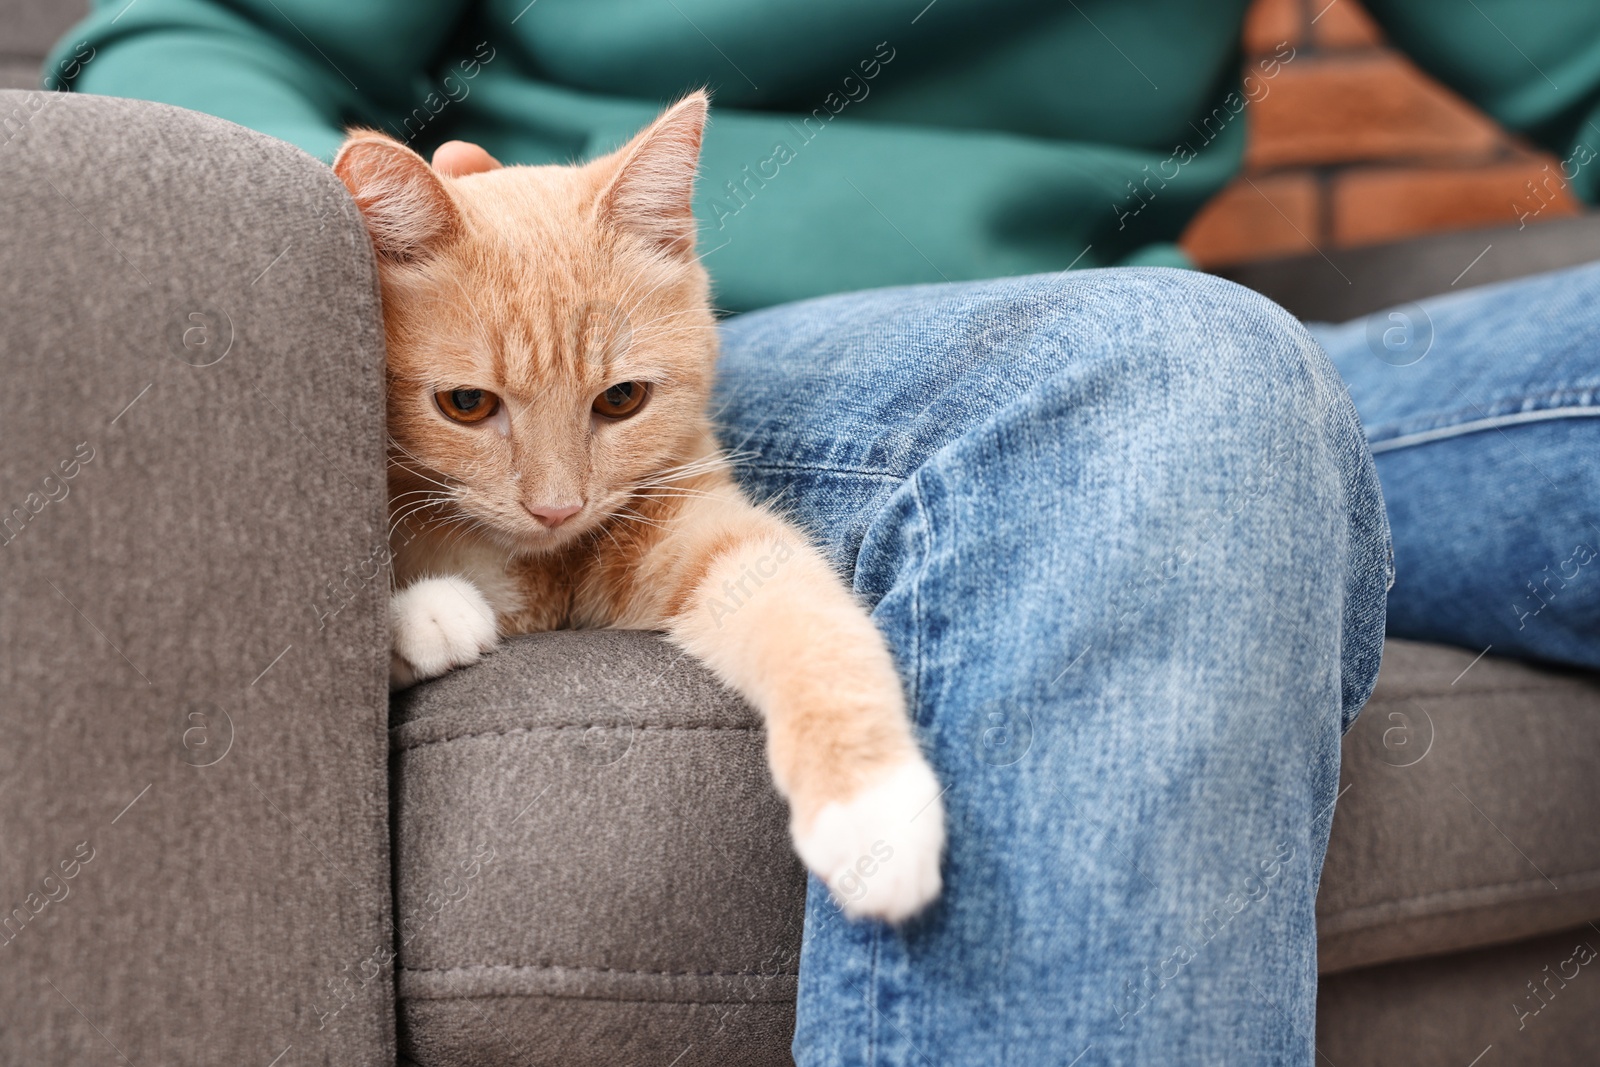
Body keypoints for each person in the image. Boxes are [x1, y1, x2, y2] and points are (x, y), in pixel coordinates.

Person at [45, 2, 1600, 1062]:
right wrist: (358, 242)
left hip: (1173, 337)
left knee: (1196, 370)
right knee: (1171, 380)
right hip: (716, 346)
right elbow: (202, 33)